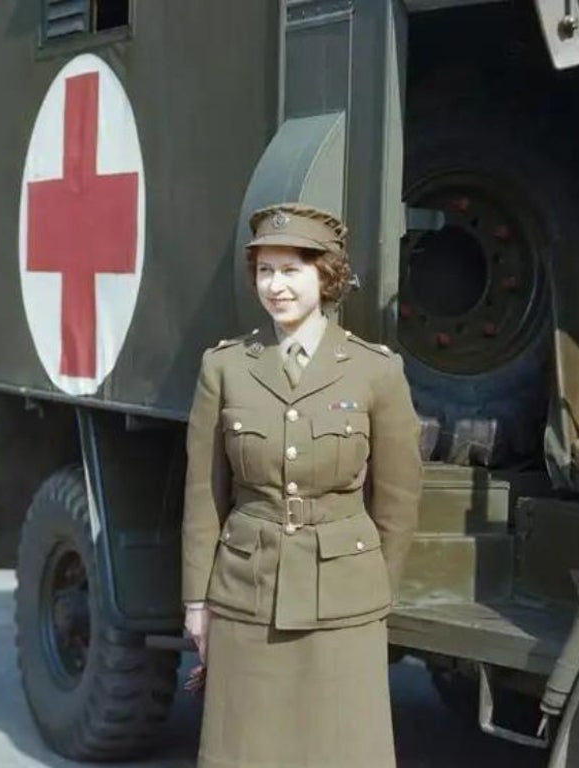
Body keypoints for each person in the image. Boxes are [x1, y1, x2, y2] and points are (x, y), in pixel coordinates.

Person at [181, 202, 423, 767]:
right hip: (246, 595)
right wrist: (197, 601)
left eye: (291, 270)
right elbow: (203, 495)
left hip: (344, 603)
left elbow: (398, 500)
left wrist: (371, 590)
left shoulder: (375, 371)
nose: (276, 286)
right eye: (265, 271)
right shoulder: (225, 368)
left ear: (326, 275)